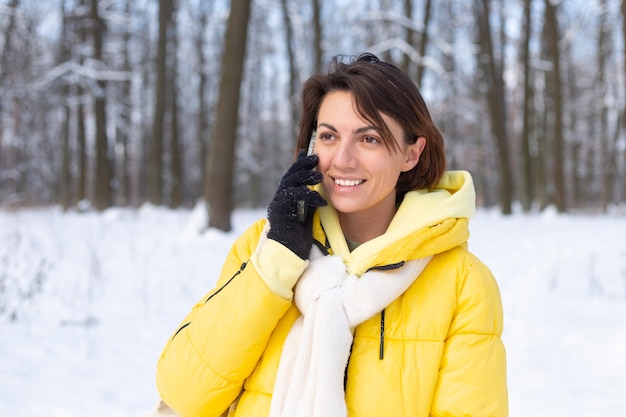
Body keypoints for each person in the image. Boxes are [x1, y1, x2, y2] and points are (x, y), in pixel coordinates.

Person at [154, 53, 508, 417]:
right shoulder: (263, 244)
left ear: (411, 154)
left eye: (369, 139)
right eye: (328, 136)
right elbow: (184, 394)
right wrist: (277, 262)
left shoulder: (463, 283)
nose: (343, 159)